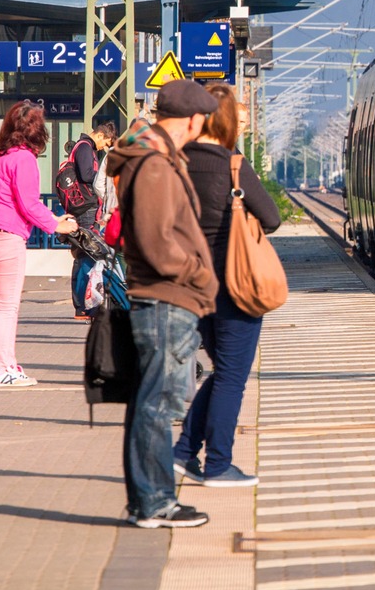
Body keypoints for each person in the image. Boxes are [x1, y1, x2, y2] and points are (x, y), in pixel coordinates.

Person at [105, 80, 219, 528]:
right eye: (200, 121)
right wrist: (198, 272)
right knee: (158, 404)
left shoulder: (154, 158)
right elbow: (155, 241)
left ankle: (150, 500)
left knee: (151, 401)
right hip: (166, 297)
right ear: (191, 120)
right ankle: (153, 503)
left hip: (165, 296)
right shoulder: (153, 165)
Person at [173, 84, 280, 488]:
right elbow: (270, 218)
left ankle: (183, 453)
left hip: (193, 287)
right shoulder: (232, 164)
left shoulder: (177, 163)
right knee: (232, 377)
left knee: (222, 373)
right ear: (228, 122)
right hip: (235, 285)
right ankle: (218, 464)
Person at [0, 101, 79, 387]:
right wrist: (57, 224)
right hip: (7, 237)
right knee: (6, 308)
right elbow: (29, 204)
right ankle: (3, 368)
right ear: (36, 131)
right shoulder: (24, 158)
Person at [69, 121, 117, 319]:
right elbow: (88, 175)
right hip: (86, 207)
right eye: (105, 142)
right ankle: (83, 305)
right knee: (88, 255)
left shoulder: (84, 147)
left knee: (84, 254)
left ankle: (83, 305)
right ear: (99, 135)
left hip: (85, 206)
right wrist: (106, 178)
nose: (104, 146)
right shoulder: (86, 148)